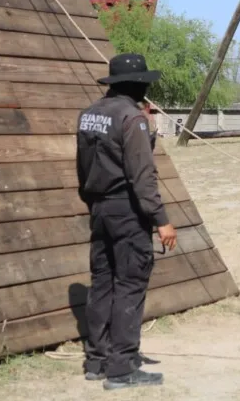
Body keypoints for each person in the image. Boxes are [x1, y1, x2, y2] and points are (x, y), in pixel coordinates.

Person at [76, 53, 178, 390]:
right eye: (144, 82)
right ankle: (122, 369)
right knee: (130, 285)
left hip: (99, 210)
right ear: (136, 84)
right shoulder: (133, 119)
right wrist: (161, 220)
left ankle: (97, 360)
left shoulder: (89, 114)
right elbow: (142, 177)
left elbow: (83, 168)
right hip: (129, 212)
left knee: (102, 283)